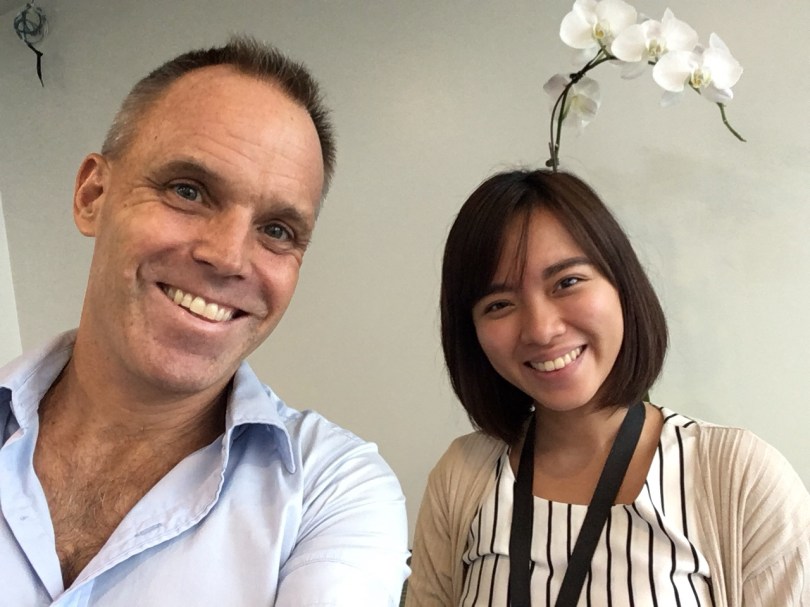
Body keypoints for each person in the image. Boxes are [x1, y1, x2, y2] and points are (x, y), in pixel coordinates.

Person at [0, 36, 409, 606]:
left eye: (277, 230)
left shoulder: (332, 492)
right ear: (93, 195)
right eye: (188, 191)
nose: (228, 257)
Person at [406, 169, 810, 606]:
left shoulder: (738, 475)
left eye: (567, 282)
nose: (541, 330)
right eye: (499, 304)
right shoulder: (462, 476)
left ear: (622, 284)